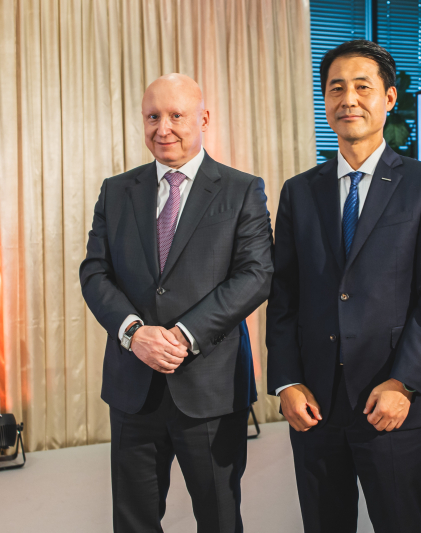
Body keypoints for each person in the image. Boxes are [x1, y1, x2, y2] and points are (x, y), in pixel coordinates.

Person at [267, 40, 421, 533]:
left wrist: (404, 382)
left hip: (391, 401)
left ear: (389, 97)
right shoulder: (298, 191)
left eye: (362, 87)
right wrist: (287, 381)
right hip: (315, 404)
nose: (348, 99)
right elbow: (284, 295)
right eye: (336, 88)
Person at [79, 73, 273, 533]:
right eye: (152, 117)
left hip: (211, 386)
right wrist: (133, 333)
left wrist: (183, 336)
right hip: (133, 386)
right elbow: (94, 272)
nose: (162, 128)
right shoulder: (116, 190)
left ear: (203, 119)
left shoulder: (241, 189)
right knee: (133, 519)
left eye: (175, 116)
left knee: (219, 517)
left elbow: (256, 275)